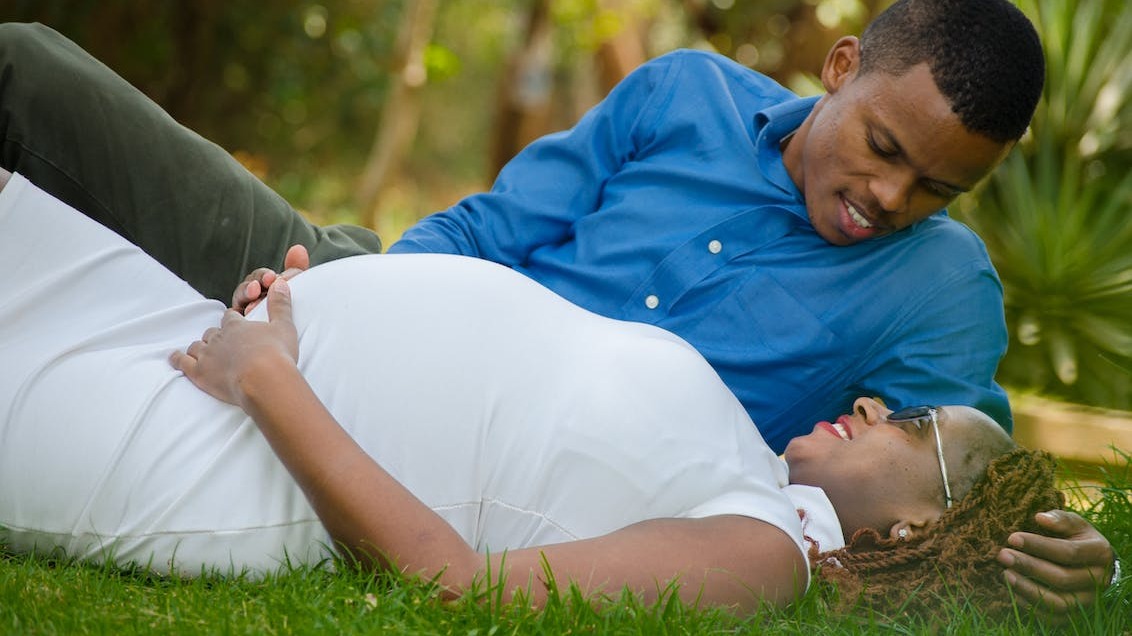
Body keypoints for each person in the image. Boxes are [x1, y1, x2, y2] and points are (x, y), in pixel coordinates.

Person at [0, 0, 1116, 612]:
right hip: (356, 282)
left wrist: (1088, 555)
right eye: (881, 150)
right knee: (30, 71)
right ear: (838, 67)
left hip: (451, 434)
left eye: (934, 189)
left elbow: (952, 491)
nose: (887, 198)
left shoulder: (939, 288)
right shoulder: (684, 93)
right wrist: (327, 288)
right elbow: (489, 228)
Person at [0, 170, 1064, 619]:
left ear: (916, 531)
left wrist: (272, 375)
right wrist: (310, 315)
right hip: (218, 352)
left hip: (207, 446)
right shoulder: (751, 469)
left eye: (913, 425)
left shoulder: (766, 555)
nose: (878, 407)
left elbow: (455, 584)